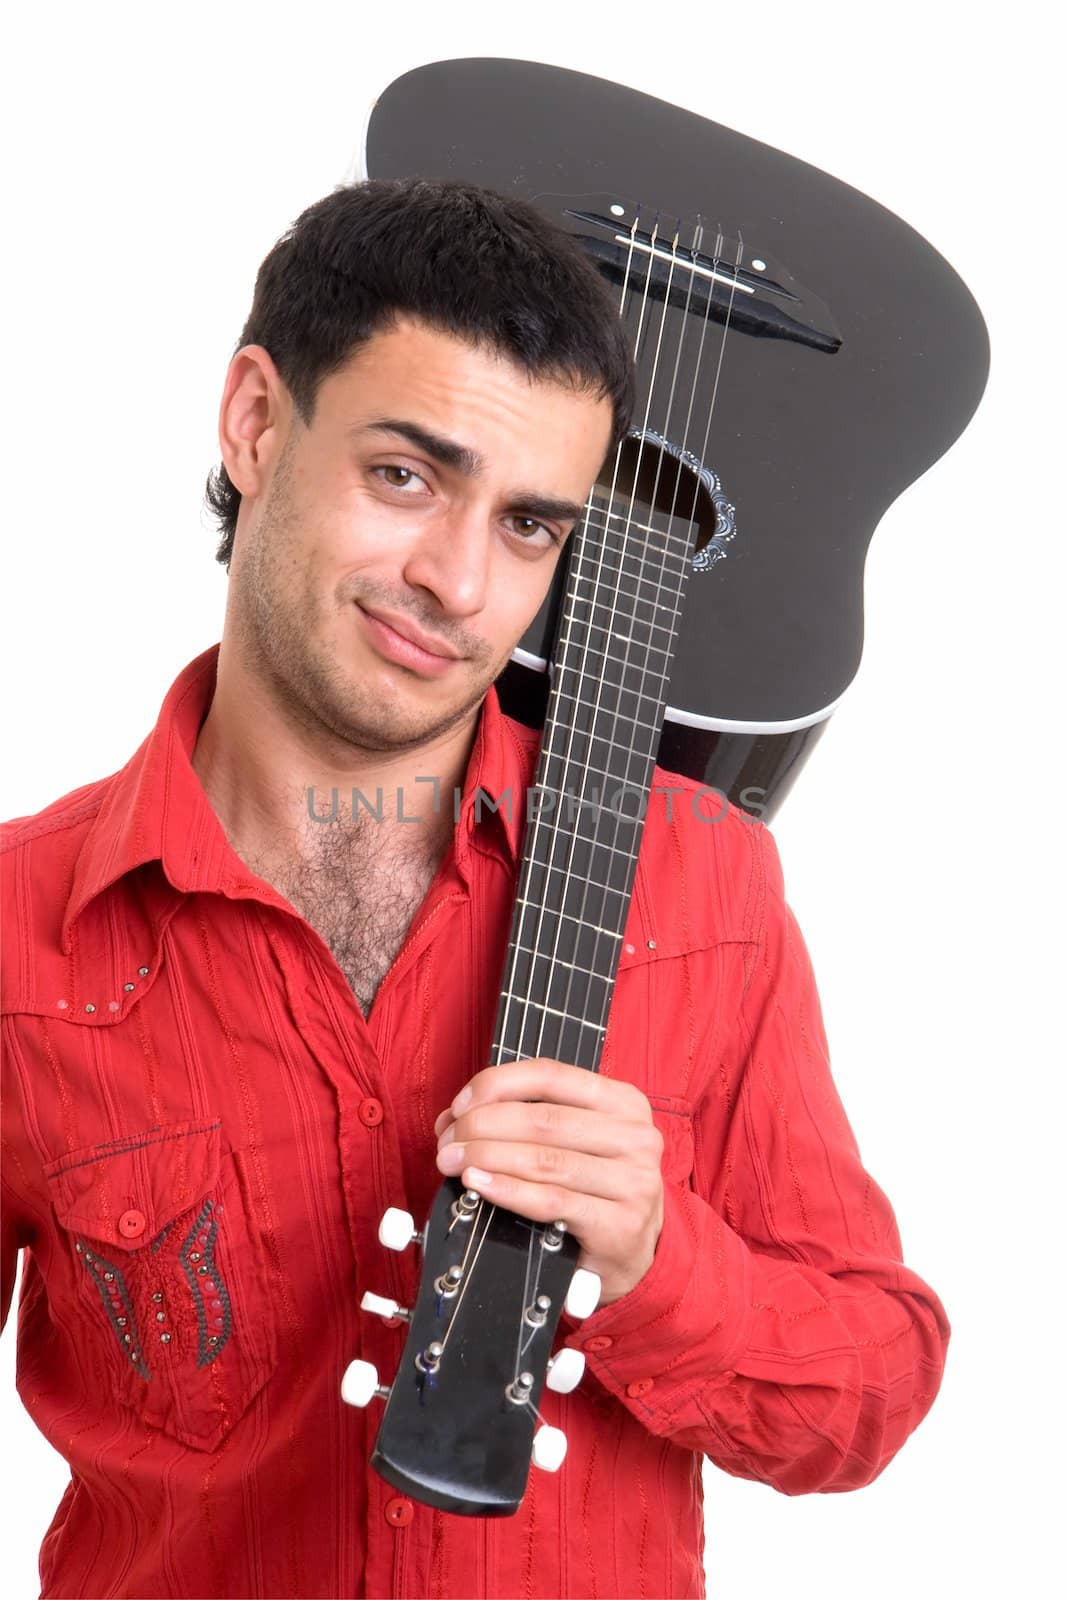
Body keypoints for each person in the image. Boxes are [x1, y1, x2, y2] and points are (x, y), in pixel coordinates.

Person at [0, 177, 950, 1600]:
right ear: (256, 422)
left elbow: (870, 1392)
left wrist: (659, 1259)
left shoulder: (706, 881)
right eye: (406, 476)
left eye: (528, 527)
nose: (456, 580)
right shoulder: (24, 931)